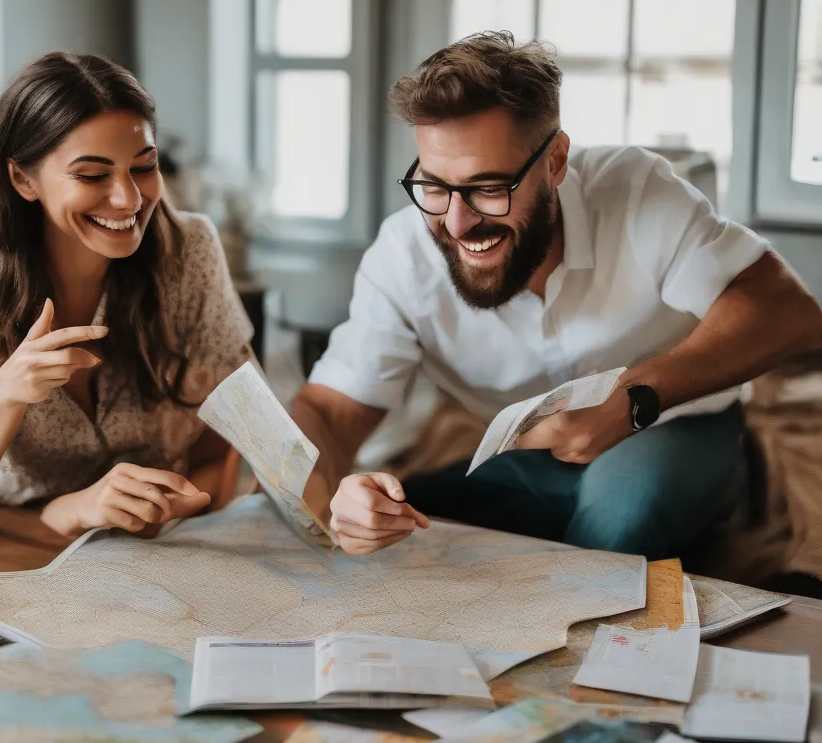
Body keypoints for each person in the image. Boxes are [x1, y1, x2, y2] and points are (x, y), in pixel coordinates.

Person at [291, 32, 822, 558]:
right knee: (412, 530)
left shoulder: (637, 193)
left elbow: (786, 310)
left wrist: (634, 401)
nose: (456, 221)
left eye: (488, 188)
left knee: (616, 519)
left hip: (677, 427)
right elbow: (329, 412)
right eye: (434, 186)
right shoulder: (402, 255)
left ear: (555, 162)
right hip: (532, 458)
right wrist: (336, 497)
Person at [0, 51, 253, 538]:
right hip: (6, 541)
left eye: (144, 167)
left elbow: (222, 455)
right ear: (24, 179)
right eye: (92, 175)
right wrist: (7, 394)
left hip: (149, 550)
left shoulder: (190, 249)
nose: (128, 199)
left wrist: (163, 511)